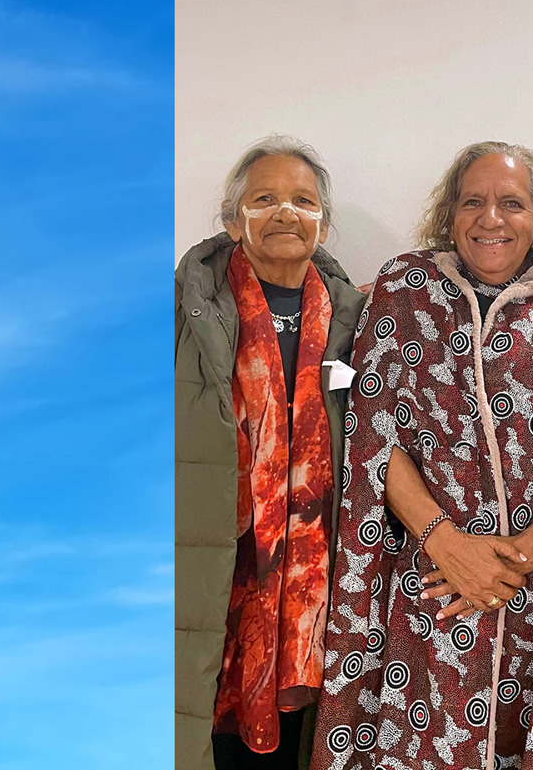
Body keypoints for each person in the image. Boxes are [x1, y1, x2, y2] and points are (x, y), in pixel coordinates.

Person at [311, 143, 533, 770]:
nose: (491, 218)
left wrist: (519, 557)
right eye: (474, 202)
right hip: (429, 584)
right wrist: (447, 544)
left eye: (512, 203)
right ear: (450, 213)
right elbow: (372, 433)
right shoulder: (404, 291)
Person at [176, 136, 368, 770]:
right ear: (234, 220)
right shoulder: (183, 312)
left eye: (303, 200)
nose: (286, 212)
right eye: (265, 199)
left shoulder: (357, 319)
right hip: (210, 576)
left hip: (314, 596)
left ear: (324, 223)